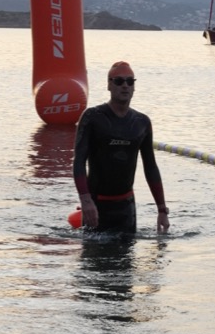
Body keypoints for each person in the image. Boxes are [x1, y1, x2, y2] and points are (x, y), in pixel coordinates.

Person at [72, 61, 170, 234]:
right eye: (119, 81)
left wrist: (162, 209)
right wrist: (86, 201)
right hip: (96, 204)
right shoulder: (93, 117)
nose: (125, 86)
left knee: (128, 250)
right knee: (93, 250)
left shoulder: (142, 122)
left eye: (130, 81)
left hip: (126, 207)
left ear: (134, 87)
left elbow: (151, 167)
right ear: (109, 85)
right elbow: (79, 162)